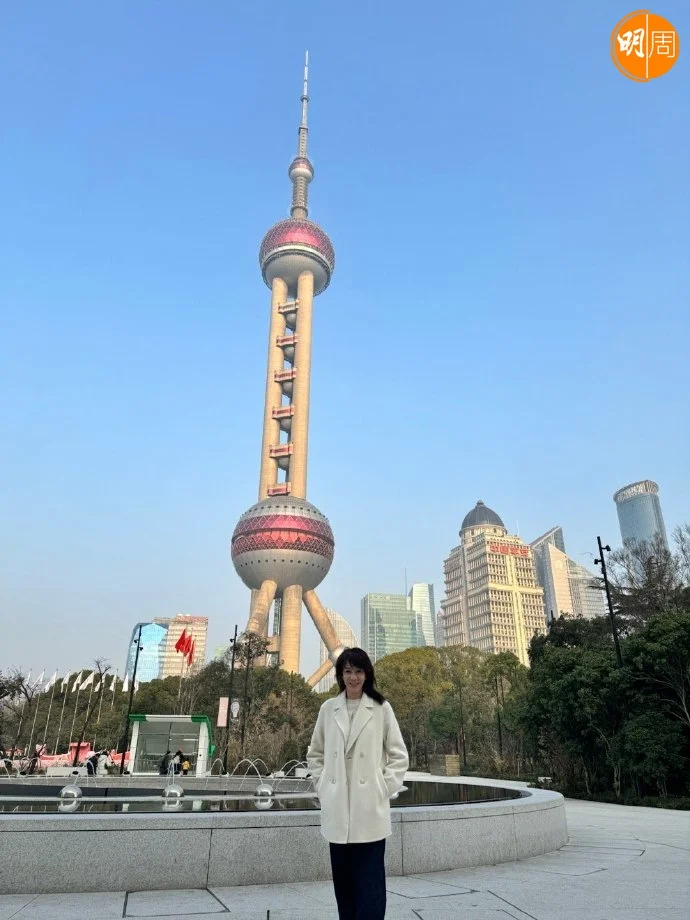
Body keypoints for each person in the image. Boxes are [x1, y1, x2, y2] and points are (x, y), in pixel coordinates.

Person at [307, 647, 409, 920]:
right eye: (348, 671)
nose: (353, 677)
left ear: (367, 674)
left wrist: (382, 787)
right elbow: (315, 754)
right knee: (345, 890)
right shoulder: (328, 709)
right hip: (337, 811)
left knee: (371, 889)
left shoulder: (381, 708)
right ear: (340, 675)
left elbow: (399, 756)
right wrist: (323, 785)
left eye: (359, 671)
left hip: (369, 811)